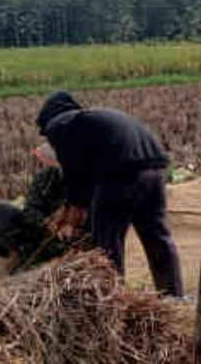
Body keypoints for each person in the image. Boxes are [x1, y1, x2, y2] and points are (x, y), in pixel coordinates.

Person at [35, 91, 183, 296]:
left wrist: (73, 219)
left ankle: (114, 299)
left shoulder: (59, 125)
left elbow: (75, 177)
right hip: (155, 168)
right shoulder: (90, 121)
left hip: (121, 173)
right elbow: (87, 179)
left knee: (107, 242)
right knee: (157, 236)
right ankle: (173, 296)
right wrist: (69, 211)